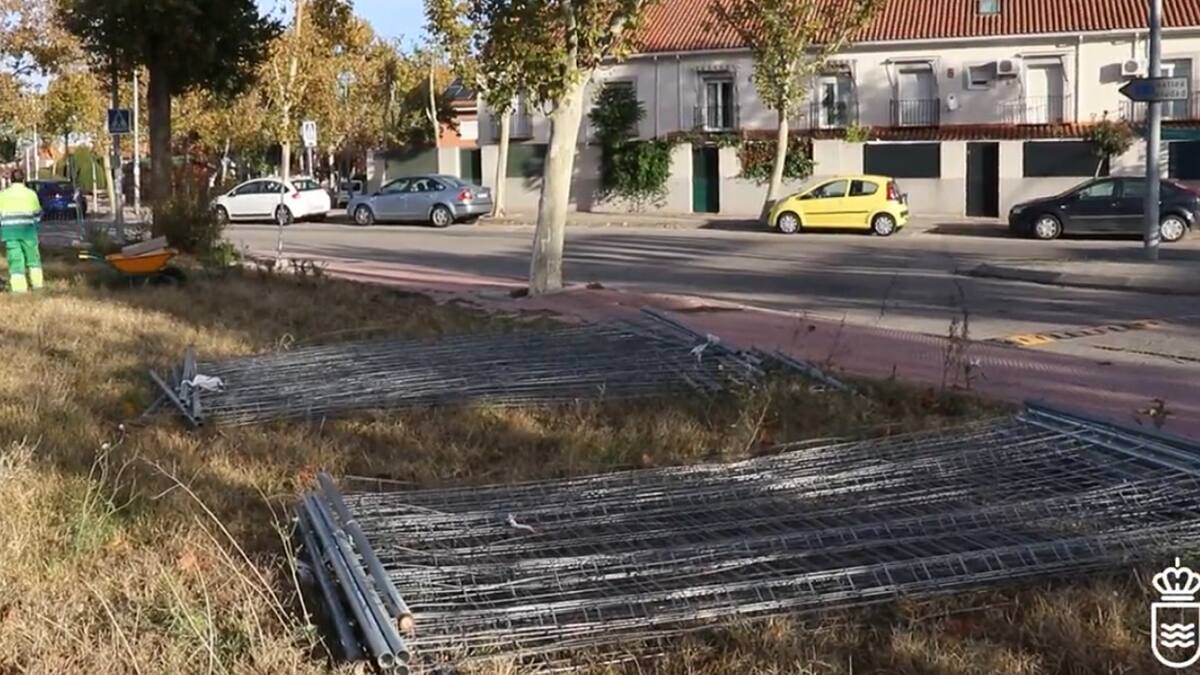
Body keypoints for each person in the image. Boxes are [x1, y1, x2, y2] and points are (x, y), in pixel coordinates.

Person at [0, 169, 44, 293]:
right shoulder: (31, 194)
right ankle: (37, 286)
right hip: (28, 232)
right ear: (23, 179)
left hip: (9, 232)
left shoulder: (3, 195)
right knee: (33, 259)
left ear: (11, 180)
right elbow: (37, 215)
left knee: (15, 260)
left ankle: (19, 289)